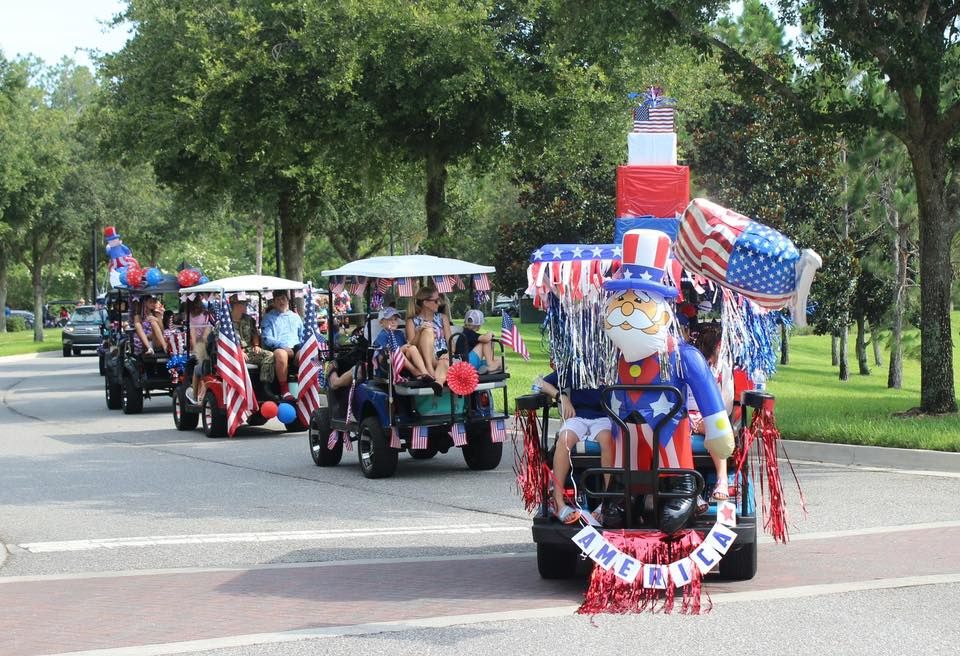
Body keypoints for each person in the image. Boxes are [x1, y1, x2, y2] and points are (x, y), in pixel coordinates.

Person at [538, 369, 614, 525]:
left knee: (608, 440)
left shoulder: (611, 363)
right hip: (577, 415)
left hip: (604, 417)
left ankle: (607, 502)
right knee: (564, 440)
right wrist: (562, 397)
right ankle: (559, 502)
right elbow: (539, 383)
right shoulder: (575, 365)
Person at [689, 325, 735, 502]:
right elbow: (727, 404)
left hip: (707, 416)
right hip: (686, 415)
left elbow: (725, 405)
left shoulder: (721, 369)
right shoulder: (686, 364)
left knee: (714, 427)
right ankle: (692, 487)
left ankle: (721, 479)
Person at [260, 290, 304, 400]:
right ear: (273, 302)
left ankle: (303, 385)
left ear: (287, 300)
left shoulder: (296, 317)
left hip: (296, 346)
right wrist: (282, 345)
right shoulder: (268, 317)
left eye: (283, 298)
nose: (281, 301)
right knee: (281, 354)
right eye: (278, 299)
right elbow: (267, 338)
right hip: (278, 347)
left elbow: (302, 335)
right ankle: (285, 391)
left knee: (305, 354)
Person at [406, 286, 451, 386]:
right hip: (424, 358)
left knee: (444, 360)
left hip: (442, 356)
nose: (439, 303)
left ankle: (437, 382)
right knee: (428, 330)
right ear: (425, 303)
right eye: (435, 301)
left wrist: (450, 353)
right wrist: (419, 332)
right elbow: (410, 346)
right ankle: (429, 368)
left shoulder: (443, 318)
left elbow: (450, 341)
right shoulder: (412, 321)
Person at [372, 306, 430, 380]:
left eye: (395, 319)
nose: (393, 322)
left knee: (412, 348)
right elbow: (382, 357)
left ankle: (425, 372)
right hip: (388, 365)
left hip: (402, 362)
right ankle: (416, 372)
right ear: (381, 322)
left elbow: (408, 347)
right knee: (400, 352)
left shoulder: (399, 334)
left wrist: (418, 333)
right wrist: (401, 350)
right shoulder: (382, 335)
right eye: (390, 320)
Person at [184, 295, 214, 404]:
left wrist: (195, 347)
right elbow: (205, 336)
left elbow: (195, 337)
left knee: (198, 368)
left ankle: (195, 395)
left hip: (204, 348)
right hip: (205, 346)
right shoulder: (207, 316)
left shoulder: (192, 317)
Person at [228, 295, 267, 368]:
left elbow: (254, 333)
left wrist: (256, 345)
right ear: (236, 305)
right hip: (232, 352)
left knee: (269, 356)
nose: (246, 306)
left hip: (249, 351)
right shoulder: (225, 322)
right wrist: (238, 351)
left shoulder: (249, 320)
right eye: (244, 304)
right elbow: (221, 342)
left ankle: (264, 379)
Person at [460, 309, 502, 374]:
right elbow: (486, 339)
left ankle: (488, 368)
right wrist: (490, 333)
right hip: (467, 363)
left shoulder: (467, 333)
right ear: (479, 325)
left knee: (500, 361)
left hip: (468, 361)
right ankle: (490, 365)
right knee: (485, 342)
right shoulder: (468, 333)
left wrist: (491, 340)